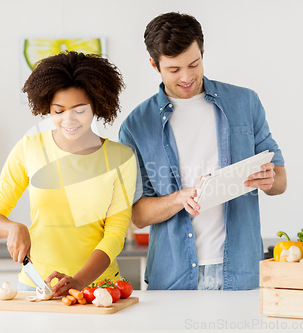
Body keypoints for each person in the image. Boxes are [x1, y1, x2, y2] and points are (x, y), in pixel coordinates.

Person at [119, 12, 287, 290]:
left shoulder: (245, 102)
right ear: (154, 65)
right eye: (173, 70)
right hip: (173, 277)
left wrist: (270, 180)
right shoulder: (137, 125)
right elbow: (138, 215)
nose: (186, 77)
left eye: (194, 64)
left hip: (243, 271)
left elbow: (280, 179)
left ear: (203, 51)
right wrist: (178, 199)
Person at [0, 51, 137, 297]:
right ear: (47, 108)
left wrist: (78, 281)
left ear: (96, 104)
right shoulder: (29, 148)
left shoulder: (121, 158)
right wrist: (12, 228)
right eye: (59, 110)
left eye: (79, 109)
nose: (69, 119)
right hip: (37, 286)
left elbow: (115, 235)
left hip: (98, 290)